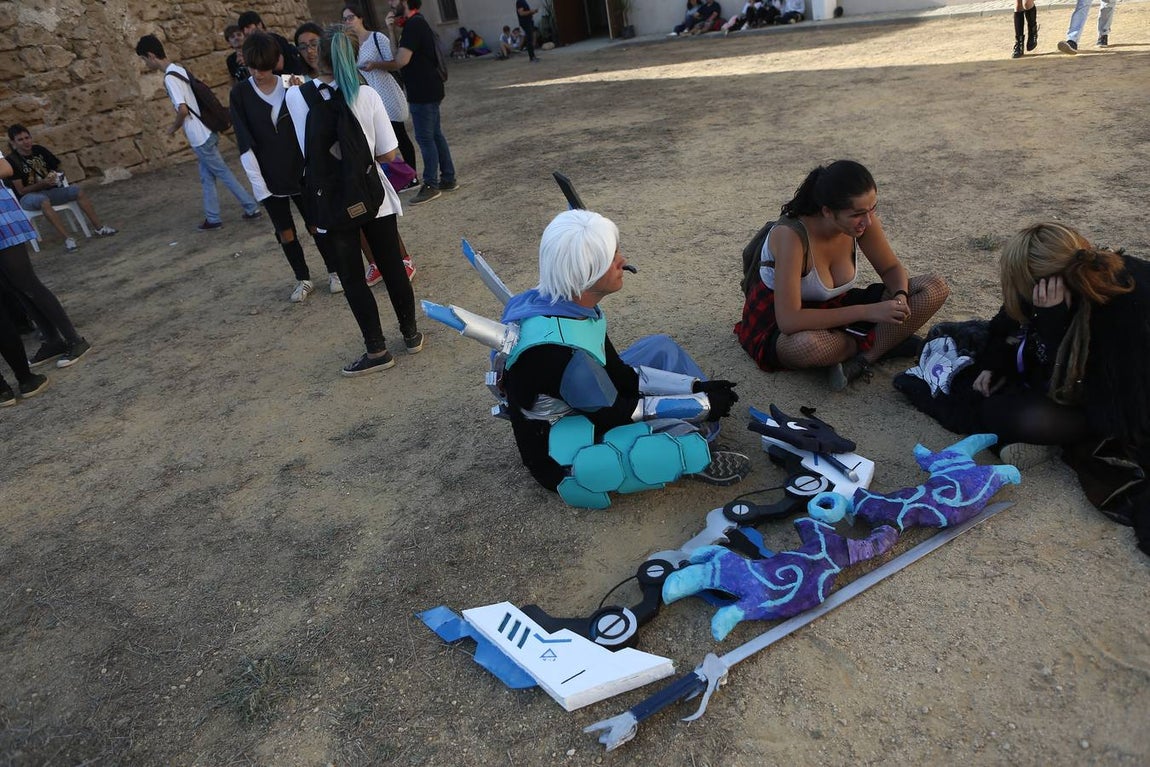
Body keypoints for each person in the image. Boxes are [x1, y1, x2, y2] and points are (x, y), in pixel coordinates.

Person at [496, 209, 750, 507]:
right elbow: (617, 411)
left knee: (661, 348)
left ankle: (697, 428)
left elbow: (621, 375)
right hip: (561, 444)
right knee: (685, 434)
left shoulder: (559, 305)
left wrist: (694, 388)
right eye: (609, 256)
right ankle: (693, 450)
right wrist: (701, 406)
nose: (621, 260)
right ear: (584, 272)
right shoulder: (560, 353)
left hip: (585, 396)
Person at [734, 160, 949, 391]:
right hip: (782, 323)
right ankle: (887, 341)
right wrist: (870, 312)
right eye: (857, 214)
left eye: (872, 209)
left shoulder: (862, 221)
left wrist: (900, 296)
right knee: (805, 346)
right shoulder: (791, 236)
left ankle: (862, 360)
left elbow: (890, 269)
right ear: (827, 211)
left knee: (933, 287)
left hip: (838, 308)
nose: (867, 221)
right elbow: (790, 321)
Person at [285, 23, 424, 376]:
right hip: (372, 194)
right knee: (392, 265)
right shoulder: (367, 96)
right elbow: (390, 153)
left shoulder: (298, 97)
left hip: (330, 200)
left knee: (352, 277)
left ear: (319, 57)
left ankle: (376, 349)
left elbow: (307, 153)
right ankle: (410, 334)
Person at [295, 21, 417, 284]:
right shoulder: (356, 93)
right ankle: (384, 263)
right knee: (368, 219)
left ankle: (391, 261)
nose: (309, 51)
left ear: (323, 51)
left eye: (312, 45)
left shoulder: (302, 95)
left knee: (370, 225)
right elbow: (390, 154)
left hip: (340, 183)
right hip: (353, 178)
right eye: (303, 46)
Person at [230, 31, 343, 302]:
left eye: (264, 66)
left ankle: (334, 270)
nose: (258, 72)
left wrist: (299, 91)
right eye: (253, 67)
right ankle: (302, 278)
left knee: (317, 224)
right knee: (285, 231)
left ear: (276, 61)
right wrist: (260, 187)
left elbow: (318, 124)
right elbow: (244, 141)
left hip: (304, 173)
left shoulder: (294, 85)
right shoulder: (240, 94)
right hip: (270, 177)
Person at [135, 35, 262, 231]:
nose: (145, 63)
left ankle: (251, 207)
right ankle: (213, 217)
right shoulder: (178, 69)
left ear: (151, 56)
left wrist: (172, 128)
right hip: (207, 130)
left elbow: (183, 110)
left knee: (222, 173)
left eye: (144, 59)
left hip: (199, 135)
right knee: (207, 176)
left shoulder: (169, 78)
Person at [0, 151, 90, 369]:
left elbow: (5, 169)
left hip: (2, 217)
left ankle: (74, 340)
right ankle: (52, 340)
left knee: (27, 281)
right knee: (15, 287)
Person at [386, 0, 460, 206]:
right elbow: (398, 55)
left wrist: (377, 65)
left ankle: (431, 184)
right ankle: (448, 178)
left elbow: (400, 61)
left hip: (423, 91)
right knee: (435, 134)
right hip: (429, 89)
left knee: (425, 138)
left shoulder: (414, 25)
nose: (390, 3)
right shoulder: (413, 24)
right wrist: (391, 29)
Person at [6, 124, 118, 251]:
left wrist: (57, 176)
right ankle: (68, 239)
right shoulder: (12, 161)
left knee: (77, 191)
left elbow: (58, 168)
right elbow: (21, 190)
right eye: (20, 140)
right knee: (43, 201)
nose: (26, 142)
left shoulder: (39, 150)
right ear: (13, 143)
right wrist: (42, 183)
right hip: (28, 197)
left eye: (27, 137)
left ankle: (100, 228)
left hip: (50, 190)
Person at [341, 3, 419, 185]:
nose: (348, 22)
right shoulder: (347, 45)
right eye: (344, 19)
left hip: (385, 92)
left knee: (399, 136)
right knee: (377, 141)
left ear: (361, 18)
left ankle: (412, 176)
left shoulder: (377, 38)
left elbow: (394, 62)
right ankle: (395, 177)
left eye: (351, 17)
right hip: (365, 97)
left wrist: (375, 65)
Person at [236, 10, 308, 75]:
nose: (246, 32)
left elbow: (279, 65)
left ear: (259, 25)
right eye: (243, 29)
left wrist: (252, 62)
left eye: (248, 27)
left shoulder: (272, 39)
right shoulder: (253, 44)